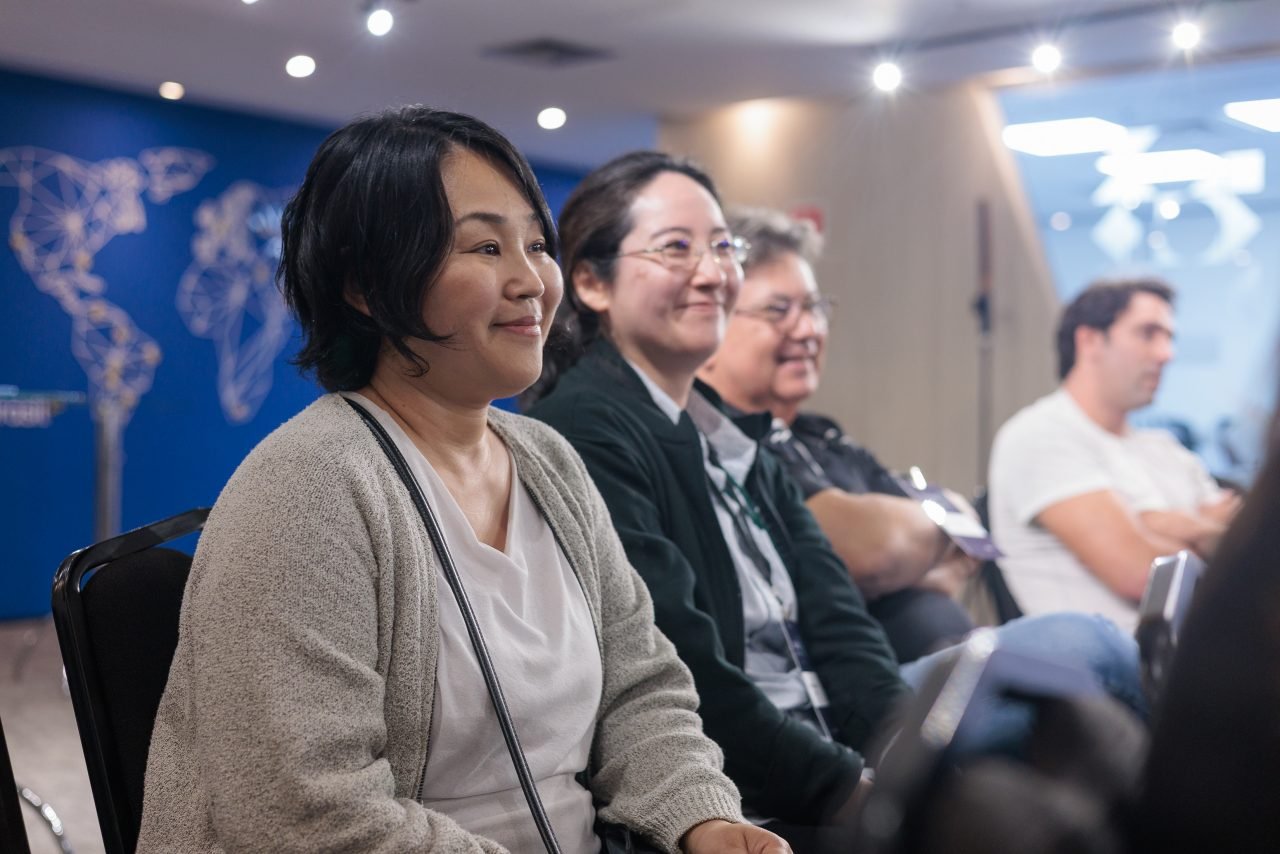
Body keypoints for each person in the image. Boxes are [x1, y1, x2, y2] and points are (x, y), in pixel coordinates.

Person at [138, 107, 788, 854]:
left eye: (537, 245)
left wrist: (702, 819)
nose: (532, 281)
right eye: (485, 246)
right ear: (365, 285)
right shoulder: (306, 489)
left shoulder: (548, 462)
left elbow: (641, 690)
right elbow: (304, 818)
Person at [524, 151, 1146, 852]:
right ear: (591, 282)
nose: (711, 270)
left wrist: (908, 764)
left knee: (1071, 733)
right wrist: (857, 792)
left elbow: (842, 630)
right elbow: (690, 681)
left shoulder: (731, 436)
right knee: (1083, 657)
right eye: (676, 248)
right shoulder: (587, 430)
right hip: (737, 788)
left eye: (723, 247)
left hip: (829, 742)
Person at [696, 206, 977, 662]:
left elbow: (964, 533)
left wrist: (907, 555)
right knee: (1085, 643)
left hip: (940, 684)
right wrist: (918, 556)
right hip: (856, 712)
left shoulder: (821, 436)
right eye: (778, 311)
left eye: (814, 307)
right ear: (712, 324)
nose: (807, 330)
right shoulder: (726, 446)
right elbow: (875, 551)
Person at [988, 279, 1239, 632]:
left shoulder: (1165, 448)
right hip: (1116, 669)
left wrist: (1160, 523)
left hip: (1201, 652)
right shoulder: (1040, 434)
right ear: (1089, 340)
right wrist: (1201, 528)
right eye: (1148, 334)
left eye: (1169, 338)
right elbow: (1143, 575)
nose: (1167, 354)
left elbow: (1240, 549)